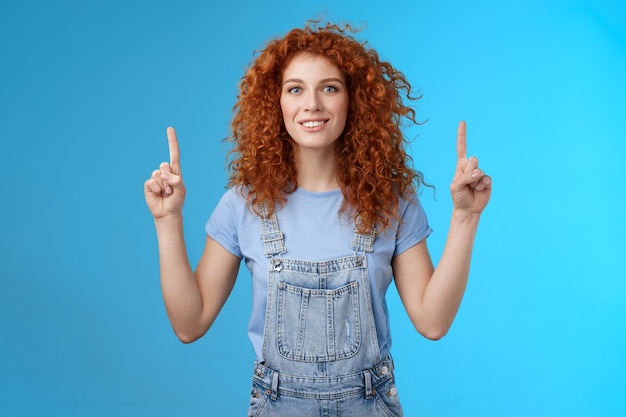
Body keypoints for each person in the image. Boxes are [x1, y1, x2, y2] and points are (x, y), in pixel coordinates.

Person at [144, 21, 491, 417]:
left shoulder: (392, 204)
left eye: (329, 87)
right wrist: (167, 221)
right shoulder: (243, 206)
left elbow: (433, 322)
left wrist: (465, 217)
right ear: (276, 104)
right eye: (295, 89)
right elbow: (190, 325)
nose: (312, 104)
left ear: (353, 101)